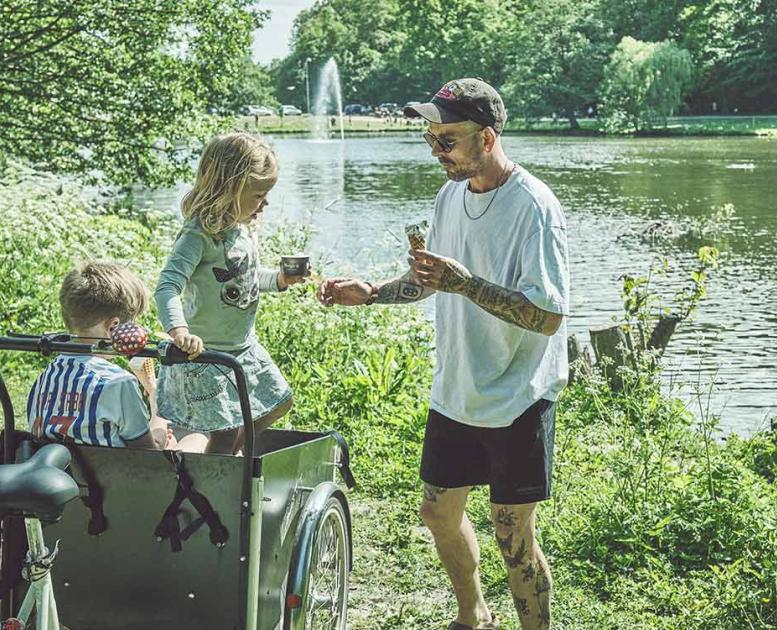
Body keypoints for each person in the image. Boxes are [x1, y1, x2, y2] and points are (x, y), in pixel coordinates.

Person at [317, 78, 569, 630]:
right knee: (437, 512)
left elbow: (548, 317)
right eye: (430, 139)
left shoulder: (535, 207)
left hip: (517, 393)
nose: (437, 152)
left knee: (512, 533)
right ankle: (472, 616)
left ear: (487, 136)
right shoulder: (451, 193)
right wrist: (376, 292)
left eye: (447, 140)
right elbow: (434, 279)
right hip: (457, 387)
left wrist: (467, 284)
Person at [155, 132, 306, 455]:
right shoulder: (198, 235)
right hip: (208, 353)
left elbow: (246, 279)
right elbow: (167, 286)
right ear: (228, 189)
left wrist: (278, 279)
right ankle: (216, 490)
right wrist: (179, 332)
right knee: (224, 433)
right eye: (258, 195)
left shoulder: (241, 229)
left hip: (244, 348)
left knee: (280, 401)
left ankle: (229, 465)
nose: (265, 203)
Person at [27, 262, 168, 449]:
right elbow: (148, 457)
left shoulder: (44, 380)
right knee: (196, 439)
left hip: (61, 473)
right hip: (113, 477)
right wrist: (157, 402)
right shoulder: (119, 383)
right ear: (113, 328)